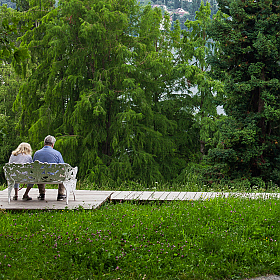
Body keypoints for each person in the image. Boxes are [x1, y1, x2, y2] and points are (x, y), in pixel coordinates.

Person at [33, 135, 66, 201]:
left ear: (44, 143)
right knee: (64, 174)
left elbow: (33, 167)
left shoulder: (37, 153)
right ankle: (61, 194)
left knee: (39, 172)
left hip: (40, 177)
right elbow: (62, 167)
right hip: (54, 176)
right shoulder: (57, 153)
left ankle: (42, 194)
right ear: (53, 144)